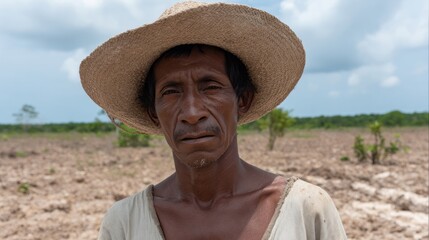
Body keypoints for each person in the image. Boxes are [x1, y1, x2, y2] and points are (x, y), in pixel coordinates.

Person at [80, 1, 347, 239]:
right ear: (154, 114)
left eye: (211, 87)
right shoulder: (125, 224)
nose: (192, 112)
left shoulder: (305, 209)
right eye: (171, 92)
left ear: (242, 100)